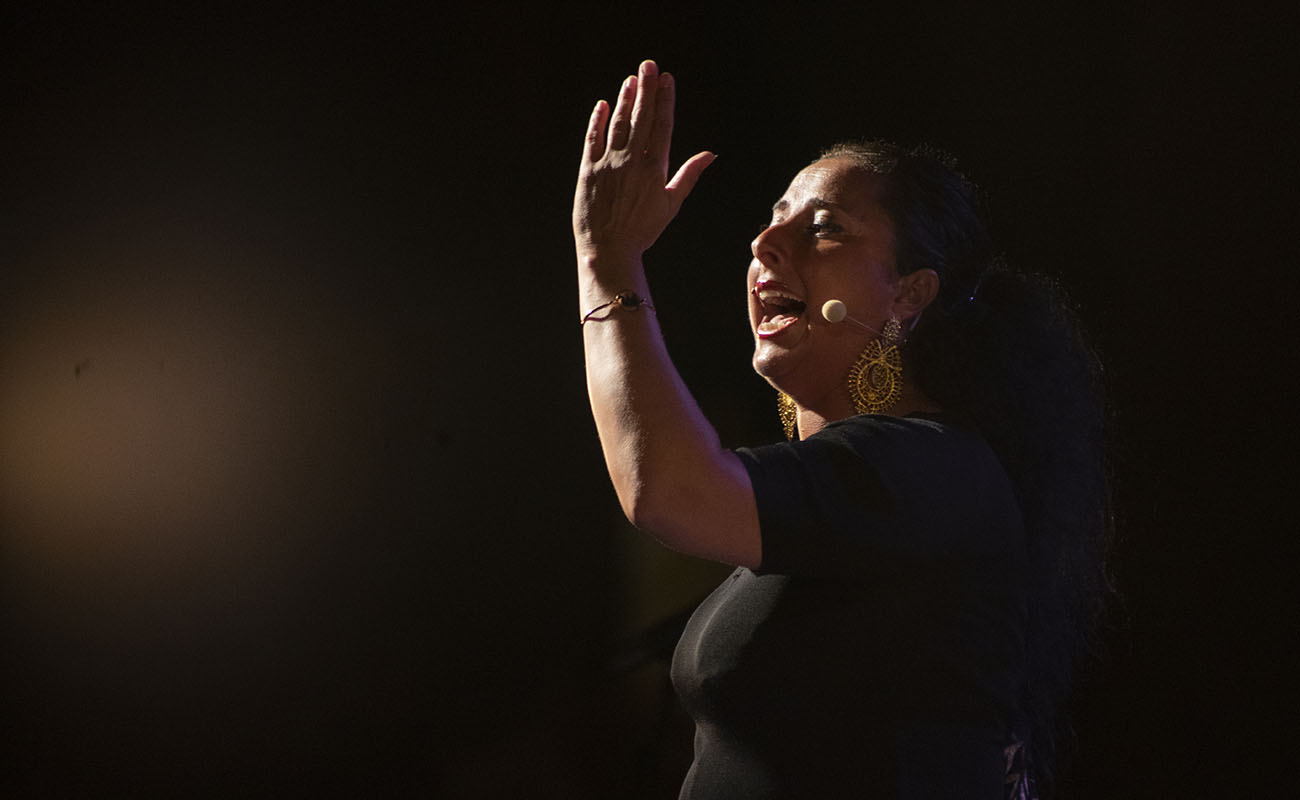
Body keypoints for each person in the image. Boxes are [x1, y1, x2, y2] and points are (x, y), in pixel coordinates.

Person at [573, 60, 1111, 799]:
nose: (765, 243)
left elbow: (669, 490)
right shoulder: (841, 493)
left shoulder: (934, 468)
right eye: (773, 219)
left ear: (909, 294)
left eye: (823, 228)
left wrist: (608, 265)